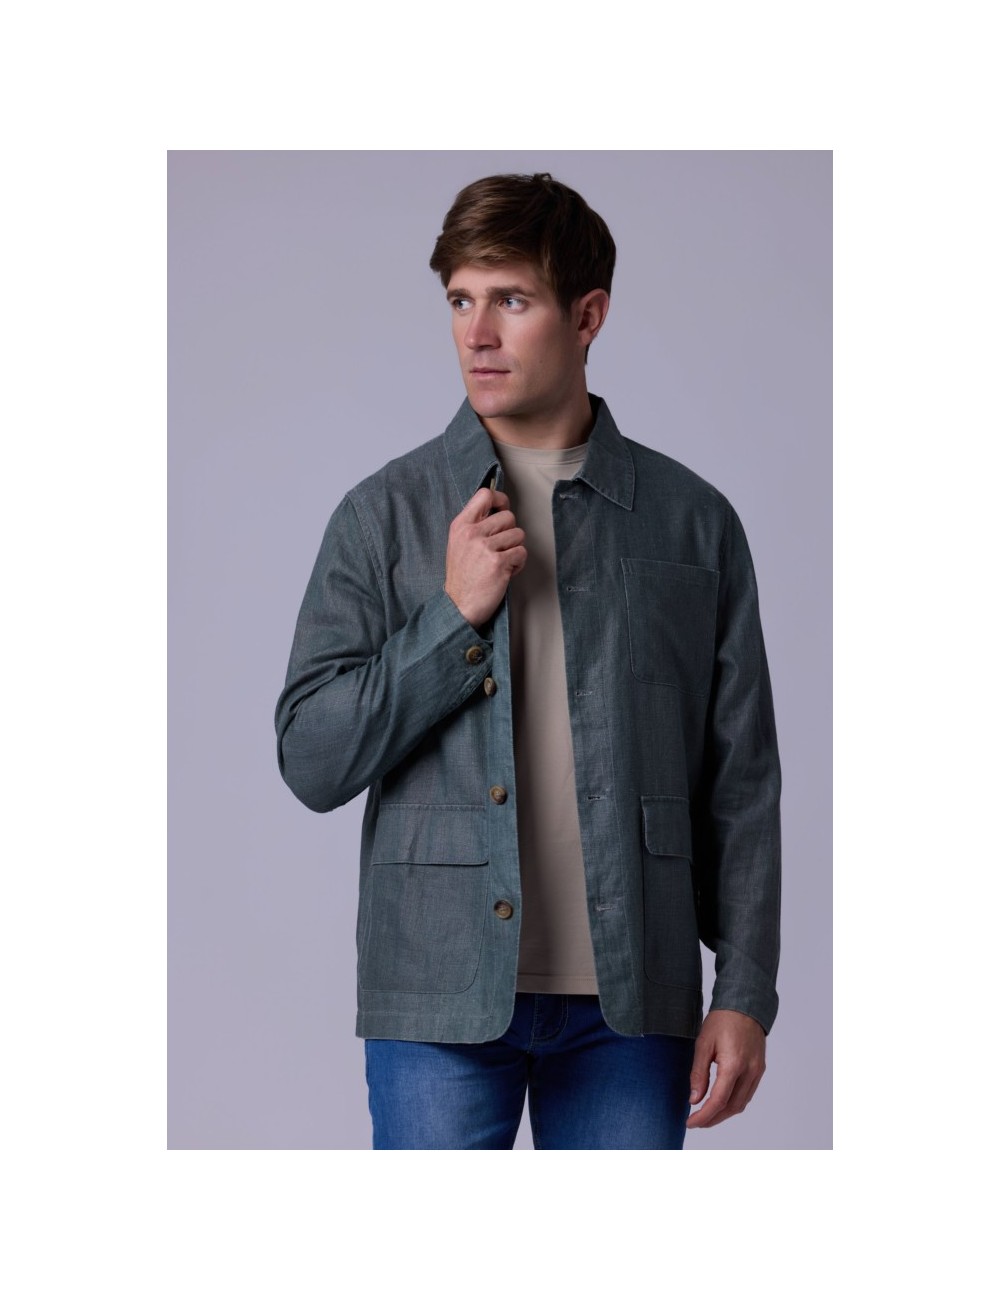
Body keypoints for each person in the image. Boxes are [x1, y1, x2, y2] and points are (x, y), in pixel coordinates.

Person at [275, 172, 781, 1149]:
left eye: (511, 300)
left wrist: (746, 989)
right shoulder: (384, 517)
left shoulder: (692, 523)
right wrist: (451, 617)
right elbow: (310, 758)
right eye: (460, 300)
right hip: (436, 993)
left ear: (587, 316)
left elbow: (742, 782)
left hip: (632, 1005)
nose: (477, 333)